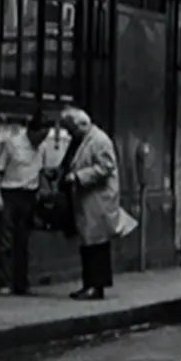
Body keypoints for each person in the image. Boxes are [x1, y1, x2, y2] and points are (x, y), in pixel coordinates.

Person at [58, 107, 122, 300]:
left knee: (96, 243)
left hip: (97, 199)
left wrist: (78, 176)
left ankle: (96, 285)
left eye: (71, 129)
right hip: (87, 199)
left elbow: (105, 167)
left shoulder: (99, 141)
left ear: (80, 124)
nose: (69, 133)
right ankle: (90, 283)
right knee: (88, 242)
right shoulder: (82, 140)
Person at [0, 110, 50, 295]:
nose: (40, 141)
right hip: (10, 193)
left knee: (23, 241)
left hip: (29, 195)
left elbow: (40, 170)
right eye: (40, 136)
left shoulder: (41, 148)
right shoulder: (12, 144)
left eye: (44, 137)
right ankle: (5, 281)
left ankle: (21, 282)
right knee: (7, 241)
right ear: (31, 132)